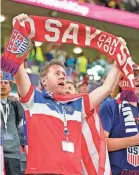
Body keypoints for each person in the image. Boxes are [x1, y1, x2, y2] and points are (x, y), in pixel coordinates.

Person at [12, 13, 122, 175]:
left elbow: (106, 88)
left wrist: (118, 62)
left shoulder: (77, 105)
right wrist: (19, 33)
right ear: (43, 81)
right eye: (57, 73)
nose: (62, 76)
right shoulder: (34, 99)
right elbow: (17, 69)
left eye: (64, 74)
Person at [99, 64, 139, 175]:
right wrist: (134, 140)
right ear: (121, 82)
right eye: (133, 76)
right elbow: (100, 144)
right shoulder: (109, 106)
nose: (138, 79)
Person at [0, 71, 24, 175]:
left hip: (13, 153)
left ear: (10, 87)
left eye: (6, 83)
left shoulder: (15, 105)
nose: (3, 85)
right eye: (0, 82)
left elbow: (18, 121)